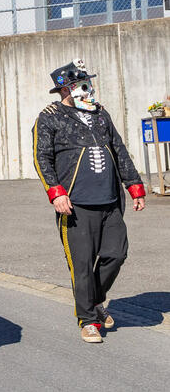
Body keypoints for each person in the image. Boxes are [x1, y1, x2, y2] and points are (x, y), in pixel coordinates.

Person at [32, 59, 146, 344]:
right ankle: (88, 320)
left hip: (109, 200)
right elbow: (41, 157)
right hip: (75, 204)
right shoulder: (50, 116)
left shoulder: (100, 114)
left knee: (116, 254)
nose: (89, 88)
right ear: (67, 89)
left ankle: (94, 301)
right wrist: (55, 192)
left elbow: (118, 148)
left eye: (89, 83)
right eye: (83, 84)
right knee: (81, 265)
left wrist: (134, 186)